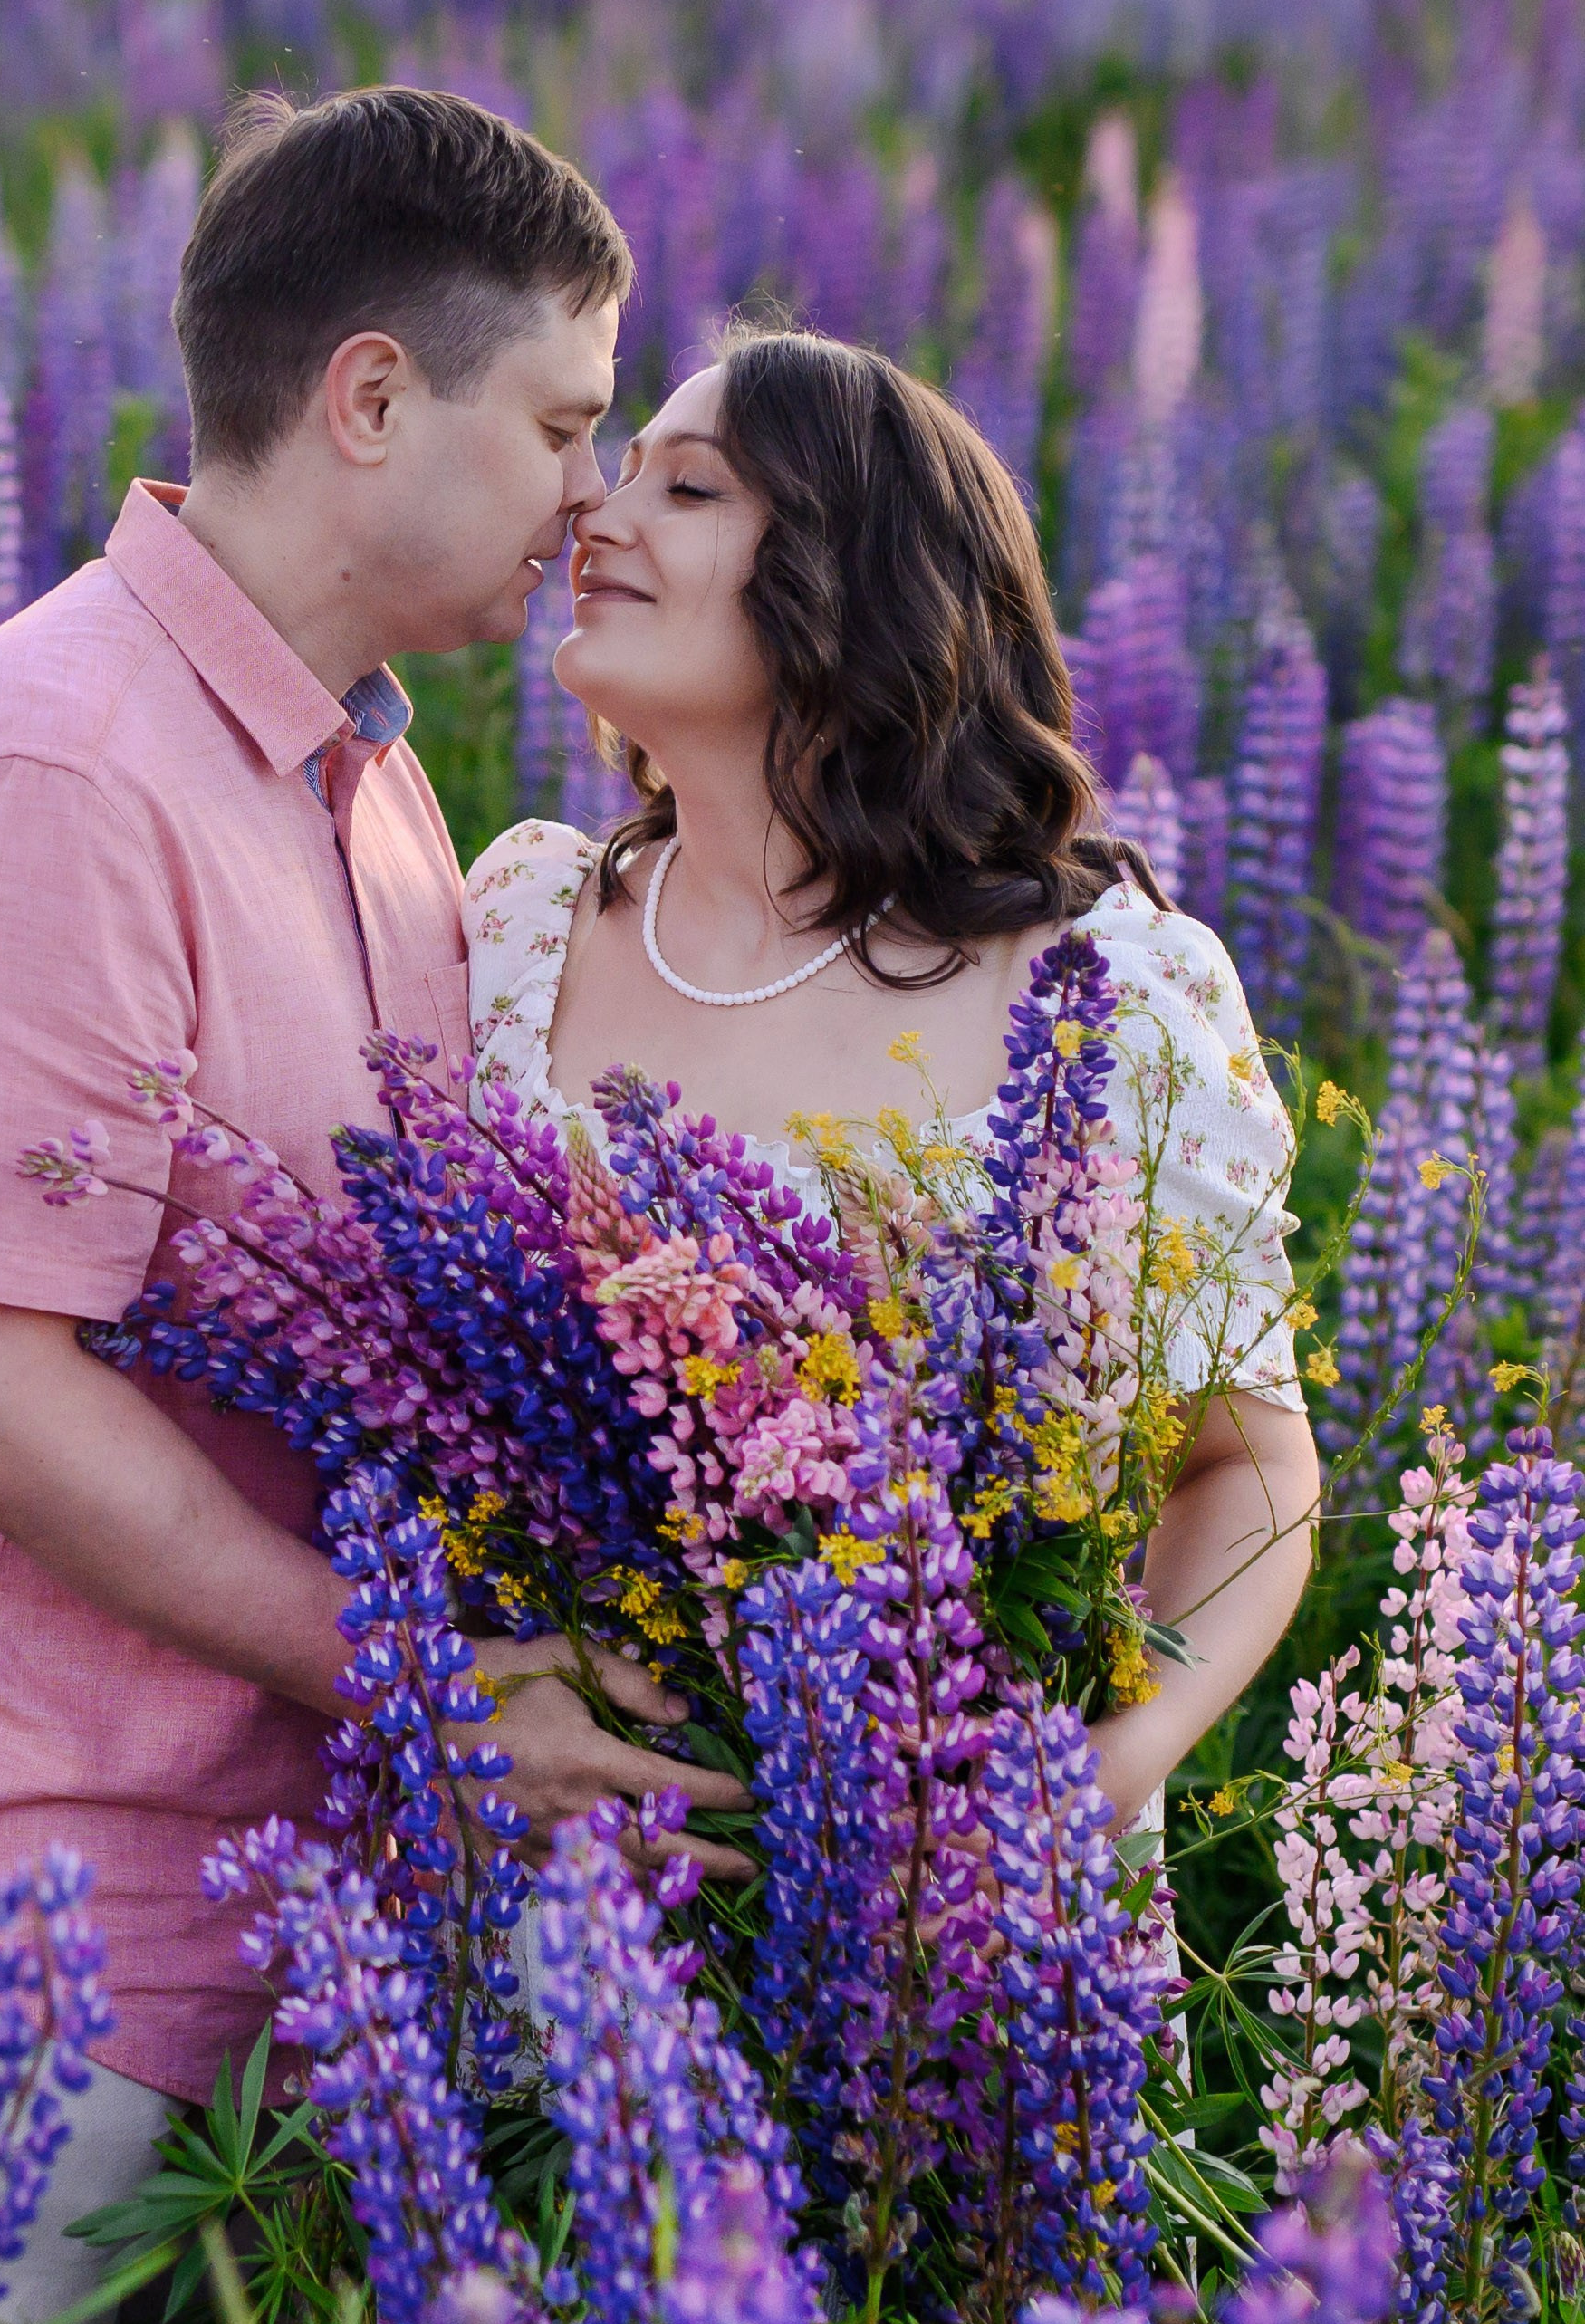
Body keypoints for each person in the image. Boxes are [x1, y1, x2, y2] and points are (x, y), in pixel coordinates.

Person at [0, 88, 748, 2324]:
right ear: (371, 399)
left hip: (271, 1922)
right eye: (555, 419)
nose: (585, 490)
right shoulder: (57, 767)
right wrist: (422, 1680)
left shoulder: (366, 788)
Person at [463, 323, 1321, 1829]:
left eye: (690, 486)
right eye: (622, 469)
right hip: (559, 1890)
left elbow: (1248, 1469)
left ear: (852, 578)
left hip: (950, 1897)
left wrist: (1114, 1759)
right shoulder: (523, 919)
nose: (599, 511)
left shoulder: (1101, 981)